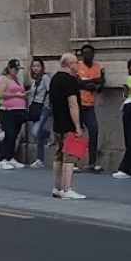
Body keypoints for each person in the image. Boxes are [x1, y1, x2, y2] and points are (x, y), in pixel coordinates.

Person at [51, 53, 86, 200]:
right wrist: (77, 126)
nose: (78, 65)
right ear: (69, 64)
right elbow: (73, 104)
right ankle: (67, 189)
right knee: (69, 157)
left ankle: (57, 187)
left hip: (57, 123)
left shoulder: (54, 79)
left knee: (58, 154)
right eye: (76, 63)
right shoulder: (70, 81)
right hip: (68, 124)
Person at [75, 44, 106, 173]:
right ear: (82, 55)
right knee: (77, 133)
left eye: (90, 53)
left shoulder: (97, 66)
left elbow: (101, 82)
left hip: (89, 105)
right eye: (85, 53)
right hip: (77, 104)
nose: (88, 55)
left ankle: (92, 162)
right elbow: (77, 82)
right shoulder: (77, 65)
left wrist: (87, 83)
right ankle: (74, 162)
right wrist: (92, 83)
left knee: (94, 131)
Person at [0, 60, 29, 170]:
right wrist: (16, 95)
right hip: (7, 111)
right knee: (9, 134)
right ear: (9, 68)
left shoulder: (17, 80)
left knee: (15, 135)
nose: (16, 71)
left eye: (18, 69)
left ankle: (10, 157)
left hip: (18, 111)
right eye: (14, 69)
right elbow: (0, 93)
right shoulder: (2, 79)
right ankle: (2, 159)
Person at [28, 59, 53, 168]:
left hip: (44, 107)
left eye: (38, 66)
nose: (36, 68)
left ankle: (49, 135)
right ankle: (39, 159)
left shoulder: (45, 78)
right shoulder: (34, 80)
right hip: (35, 107)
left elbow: (50, 90)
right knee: (38, 137)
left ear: (42, 67)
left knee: (35, 131)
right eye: (34, 66)